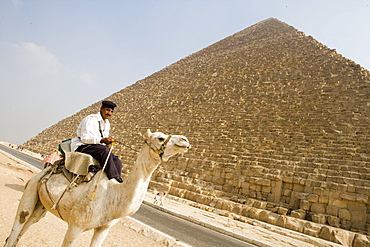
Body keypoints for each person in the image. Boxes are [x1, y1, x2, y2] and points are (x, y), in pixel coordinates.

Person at [71, 101, 123, 183]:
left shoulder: (107, 123)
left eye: (111, 111)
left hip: (97, 147)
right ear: (101, 108)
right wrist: (102, 140)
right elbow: (85, 138)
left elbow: (103, 139)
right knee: (105, 151)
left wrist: (107, 143)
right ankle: (113, 178)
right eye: (107, 110)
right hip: (83, 146)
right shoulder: (90, 119)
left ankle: (116, 181)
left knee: (117, 160)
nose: (109, 113)